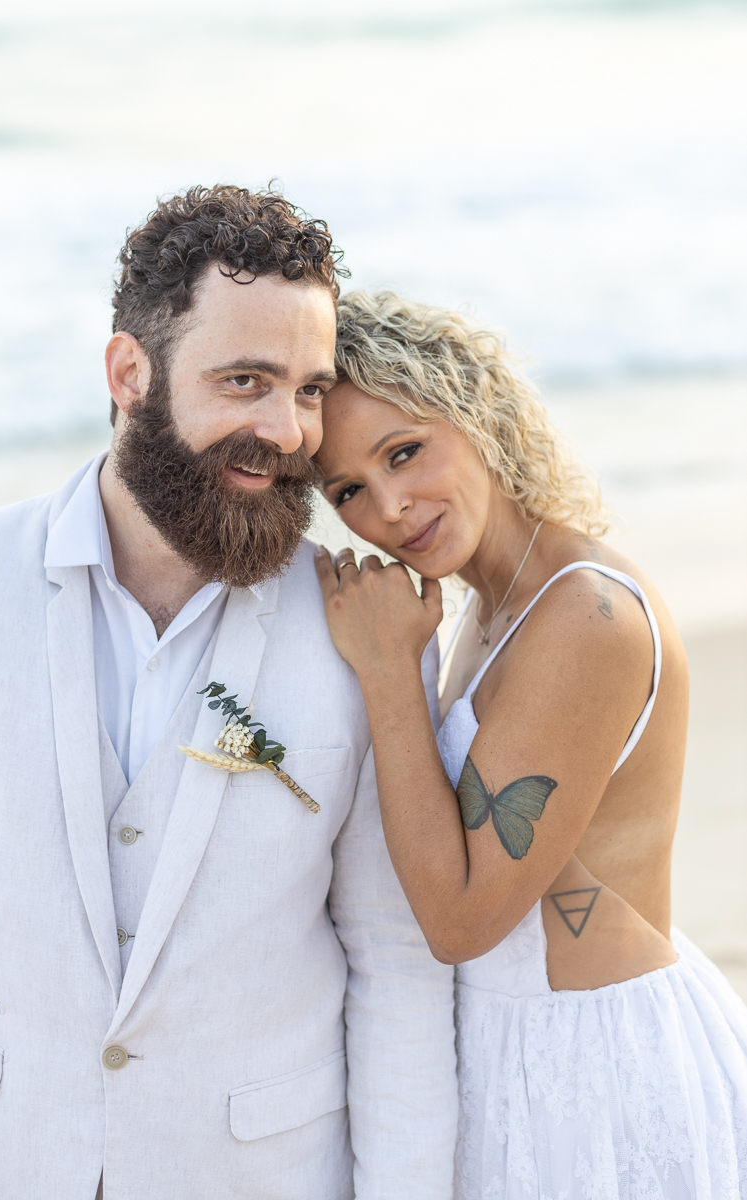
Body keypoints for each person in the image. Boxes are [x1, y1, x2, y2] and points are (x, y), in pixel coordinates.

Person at [0, 194, 458, 1200]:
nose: (286, 431)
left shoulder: (364, 628)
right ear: (130, 375)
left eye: (309, 390)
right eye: (245, 381)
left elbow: (397, 966)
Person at [315, 289, 747, 1199]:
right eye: (347, 489)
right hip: (517, 1050)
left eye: (405, 452)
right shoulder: (493, 603)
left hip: (596, 1069)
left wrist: (390, 677)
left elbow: (463, 919)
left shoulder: (583, 617)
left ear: (476, 412)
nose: (389, 507)